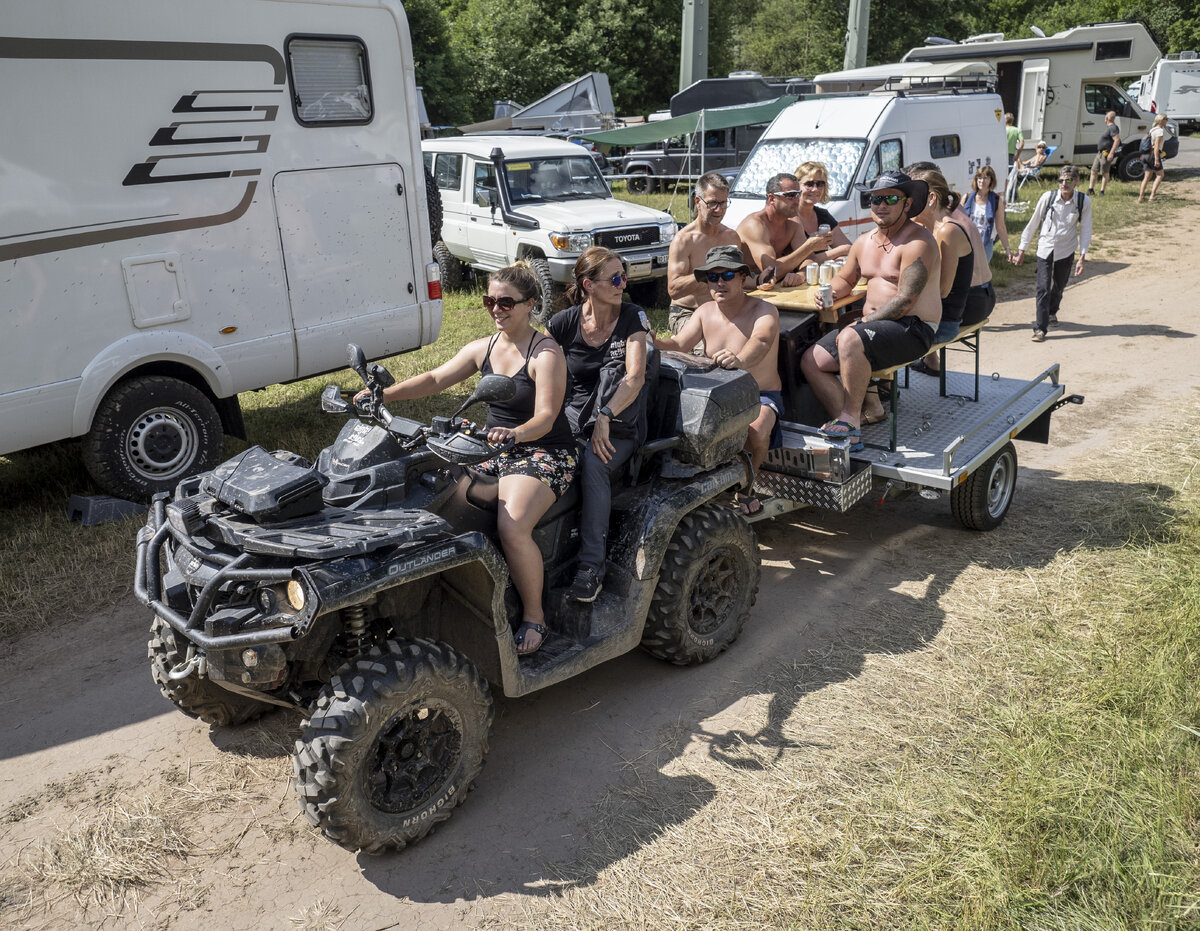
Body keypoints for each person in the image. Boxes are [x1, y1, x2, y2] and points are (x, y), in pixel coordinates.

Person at [356, 262, 576, 655]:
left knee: (512, 526)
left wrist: (515, 433)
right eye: (490, 300)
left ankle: (535, 617)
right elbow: (436, 379)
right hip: (491, 447)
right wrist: (383, 396)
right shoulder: (485, 347)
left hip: (543, 451)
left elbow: (546, 417)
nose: (496, 309)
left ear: (530, 304)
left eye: (506, 302)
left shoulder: (546, 354)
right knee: (431, 495)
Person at [799, 171, 941, 447]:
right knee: (811, 361)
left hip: (914, 327)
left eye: (890, 198)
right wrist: (832, 291)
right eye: (874, 199)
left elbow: (905, 300)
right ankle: (852, 420)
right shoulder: (864, 242)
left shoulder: (918, 242)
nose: (881, 205)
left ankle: (849, 421)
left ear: (907, 204)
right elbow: (846, 278)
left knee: (852, 338)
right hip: (872, 327)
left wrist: (863, 323)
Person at [547, 247, 650, 603]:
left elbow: (635, 378)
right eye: (615, 278)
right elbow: (533, 365)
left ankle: (591, 567)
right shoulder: (564, 322)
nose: (623, 284)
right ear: (588, 284)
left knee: (593, 463)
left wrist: (605, 415)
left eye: (625, 277)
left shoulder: (633, 317)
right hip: (571, 418)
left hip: (619, 421)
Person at [654, 245, 781, 515]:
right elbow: (677, 344)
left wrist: (740, 360)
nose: (719, 283)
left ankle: (748, 488)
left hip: (761, 395)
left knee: (755, 429)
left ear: (743, 277)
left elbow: (761, 341)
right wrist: (650, 340)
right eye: (712, 277)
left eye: (727, 275)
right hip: (721, 396)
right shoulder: (704, 311)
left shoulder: (765, 310)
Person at [904, 166, 973, 378]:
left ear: (931, 198)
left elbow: (943, 290)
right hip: (934, 317)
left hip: (944, 323)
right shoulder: (931, 228)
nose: (908, 204)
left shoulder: (947, 230)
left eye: (913, 198)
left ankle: (882, 396)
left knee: (877, 339)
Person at [1012, 165, 1091, 342]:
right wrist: (1022, 250)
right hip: (1045, 248)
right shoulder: (1048, 197)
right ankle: (1040, 329)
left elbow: (1086, 229)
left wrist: (1082, 257)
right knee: (1042, 287)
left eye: (1068, 180)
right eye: (1061, 180)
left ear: (1076, 181)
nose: (1064, 184)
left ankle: (1052, 311)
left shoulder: (1083, 201)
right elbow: (1033, 224)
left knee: (1060, 285)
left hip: (1066, 249)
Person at [666, 172, 744, 337]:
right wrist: (708, 272)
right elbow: (674, 290)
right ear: (697, 201)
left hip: (724, 309)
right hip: (687, 312)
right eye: (713, 203)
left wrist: (760, 279)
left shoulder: (732, 236)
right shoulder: (684, 239)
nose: (719, 209)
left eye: (723, 203)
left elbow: (738, 278)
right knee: (712, 349)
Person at [736, 172, 835, 286]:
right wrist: (809, 246)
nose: (797, 200)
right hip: (749, 291)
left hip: (775, 288)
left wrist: (801, 275)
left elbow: (809, 260)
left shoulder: (793, 222)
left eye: (798, 194)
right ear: (772, 198)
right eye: (791, 195)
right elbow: (770, 272)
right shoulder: (755, 225)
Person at [792, 160, 852, 265]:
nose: (815, 189)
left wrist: (841, 254)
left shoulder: (823, 216)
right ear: (797, 186)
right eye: (809, 184)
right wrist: (840, 251)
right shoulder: (790, 217)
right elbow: (804, 260)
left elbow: (851, 250)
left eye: (820, 184)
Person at [966, 165, 1010, 263]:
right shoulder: (967, 198)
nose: (982, 181)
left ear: (991, 180)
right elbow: (958, 221)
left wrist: (1007, 248)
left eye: (986, 178)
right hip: (967, 243)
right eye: (979, 178)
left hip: (985, 244)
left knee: (982, 276)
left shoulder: (996, 201)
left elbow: (1001, 227)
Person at [1088, 110, 1121, 196]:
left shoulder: (1113, 128)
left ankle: (1102, 191)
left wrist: (1111, 153)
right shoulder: (1110, 127)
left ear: (1107, 118)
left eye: (1105, 116)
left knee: (1105, 172)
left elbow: (1117, 140)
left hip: (1106, 154)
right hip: (1100, 153)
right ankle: (1091, 189)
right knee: (1093, 171)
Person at [1138, 114, 1168, 203]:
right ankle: (1152, 196)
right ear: (1161, 120)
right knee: (1160, 175)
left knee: (1147, 177)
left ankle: (1141, 197)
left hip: (1145, 155)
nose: (1167, 120)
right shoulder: (1159, 131)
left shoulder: (1151, 130)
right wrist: (1156, 159)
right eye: (1166, 119)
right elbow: (1156, 146)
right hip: (1152, 155)